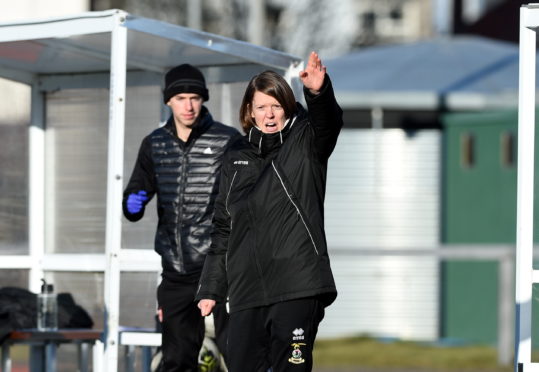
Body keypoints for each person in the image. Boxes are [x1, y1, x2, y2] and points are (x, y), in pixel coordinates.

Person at [196, 51, 343, 372]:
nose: (270, 114)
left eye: (276, 106)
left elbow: (328, 123)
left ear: (287, 107)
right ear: (249, 110)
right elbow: (223, 227)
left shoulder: (306, 140)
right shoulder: (235, 154)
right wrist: (211, 287)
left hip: (297, 283)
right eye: (262, 106)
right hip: (247, 289)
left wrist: (319, 93)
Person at [122, 63, 239, 372]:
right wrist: (132, 202)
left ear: (203, 100)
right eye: (181, 98)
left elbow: (249, 196)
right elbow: (137, 189)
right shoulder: (154, 144)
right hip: (174, 273)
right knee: (175, 360)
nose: (188, 106)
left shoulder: (228, 141)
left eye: (195, 98)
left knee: (237, 354)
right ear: (168, 101)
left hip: (219, 270)